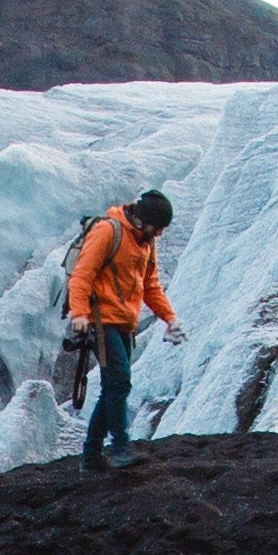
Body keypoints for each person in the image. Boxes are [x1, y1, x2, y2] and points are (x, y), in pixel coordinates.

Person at [63, 188, 178, 471]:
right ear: (142, 220)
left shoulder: (145, 242)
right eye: (158, 227)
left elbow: (150, 285)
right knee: (119, 382)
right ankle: (119, 447)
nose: (160, 234)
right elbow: (82, 276)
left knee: (113, 387)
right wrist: (79, 314)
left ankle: (91, 456)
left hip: (125, 322)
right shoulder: (108, 231)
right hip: (101, 320)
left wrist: (169, 317)